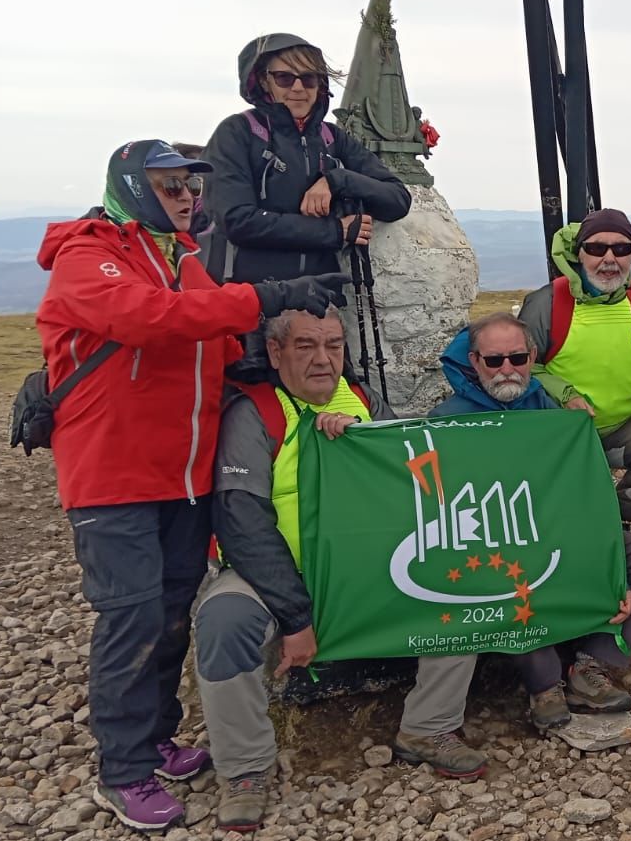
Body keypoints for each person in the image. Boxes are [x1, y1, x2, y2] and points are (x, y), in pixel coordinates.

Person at [34, 140, 348, 833]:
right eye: (169, 184)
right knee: (132, 617)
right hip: (113, 476)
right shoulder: (88, 254)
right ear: (130, 186)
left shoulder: (183, 259)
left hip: (185, 475)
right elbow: (149, 319)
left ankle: (155, 741)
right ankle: (122, 771)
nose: (186, 197)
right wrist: (269, 295)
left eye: (191, 186)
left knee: (172, 612)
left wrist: (275, 361)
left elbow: (218, 341)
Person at [196, 308, 488, 834]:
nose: (323, 358)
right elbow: (242, 524)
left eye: (334, 345)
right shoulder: (254, 413)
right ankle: (244, 769)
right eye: (306, 346)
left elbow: (414, 483)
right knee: (222, 622)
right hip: (275, 577)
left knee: (460, 589)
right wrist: (296, 617)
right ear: (276, 352)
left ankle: (429, 726)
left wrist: (365, 443)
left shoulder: (364, 400)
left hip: (364, 568)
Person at [430, 312, 631, 724]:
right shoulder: (447, 420)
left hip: (555, 531)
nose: (507, 369)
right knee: (512, 574)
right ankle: (543, 686)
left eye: (517, 358)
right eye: (494, 361)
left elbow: (580, 488)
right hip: (490, 544)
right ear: (474, 361)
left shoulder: (550, 408)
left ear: (532, 357)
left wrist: (609, 568)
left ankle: (591, 667)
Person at [518, 208, 631, 524]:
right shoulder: (547, 303)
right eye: (597, 248)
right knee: (559, 493)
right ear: (579, 253)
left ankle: (611, 524)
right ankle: (560, 526)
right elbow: (519, 369)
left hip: (620, 427)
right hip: (560, 430)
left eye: (622, 248)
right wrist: (565, 395)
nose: (609, 259)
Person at [203, 33, 411, 286]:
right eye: (284, 78)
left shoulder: (332, 138)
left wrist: (336, 180)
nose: (298, 88)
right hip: (253, 296)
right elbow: (237, 221)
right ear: (264, 81)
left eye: (309, 78)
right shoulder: (238, 132)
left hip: (321, 297)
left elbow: (398, 200)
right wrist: (336, 231)